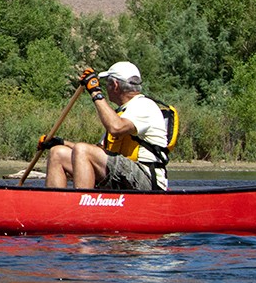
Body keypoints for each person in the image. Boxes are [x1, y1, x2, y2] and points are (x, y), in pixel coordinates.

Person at [42, 61, 169, 191]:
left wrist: (95, 92)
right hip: (123, 175)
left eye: (106, 84)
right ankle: (55, 206)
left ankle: (83, 206)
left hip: (147, 180)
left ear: (115, 85)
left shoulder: (145, 105)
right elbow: (97, 151)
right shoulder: (120, 112)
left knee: (82, 149)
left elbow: (116, 128)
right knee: (57, 153)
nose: (105, 88)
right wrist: (61, 142)